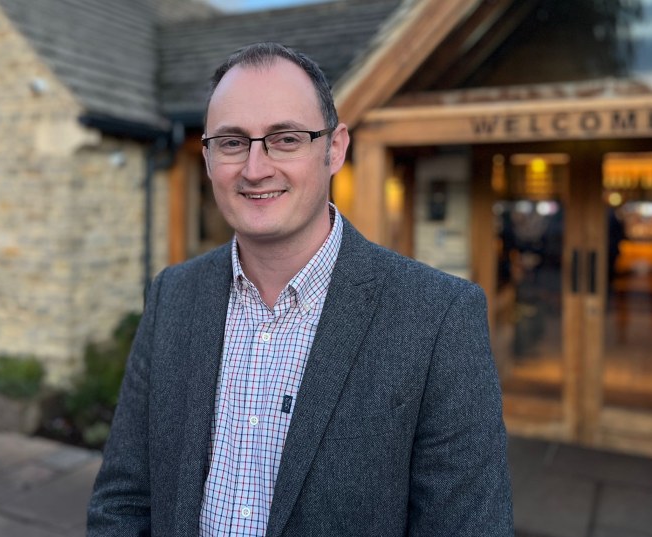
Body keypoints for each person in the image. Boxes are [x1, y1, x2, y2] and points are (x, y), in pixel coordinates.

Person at [87, 42, 513, 537]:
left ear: (334, 149)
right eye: (231, 142)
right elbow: (123, 500)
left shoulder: (438, 318)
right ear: (206, 158)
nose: (254, 168)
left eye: (285, 138)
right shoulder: (172, 296)